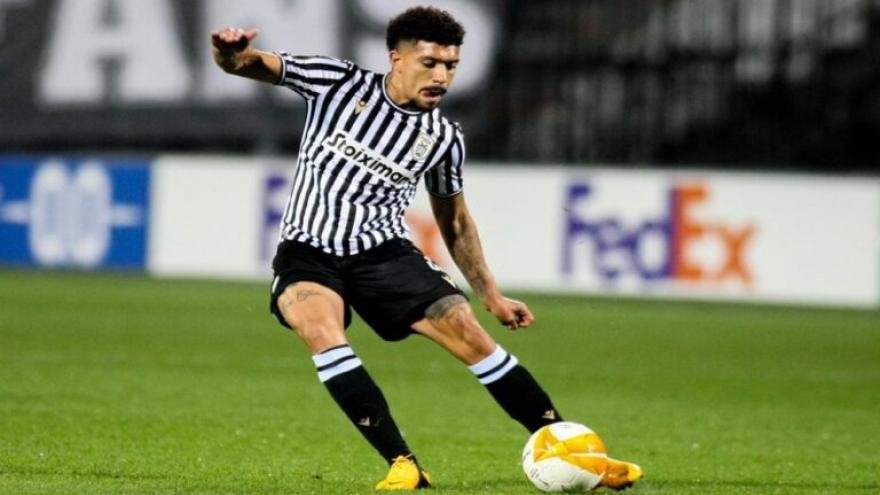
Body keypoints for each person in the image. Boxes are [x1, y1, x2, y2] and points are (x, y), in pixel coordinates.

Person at [211, 6, 642, 490]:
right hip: (307, 251)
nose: (442, 76)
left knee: (472, 336)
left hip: (384, 254)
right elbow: (247, 64)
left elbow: (454, 220)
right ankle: (404, 463)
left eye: (451, 65)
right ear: (396, 59)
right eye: (430, 63)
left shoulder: (442, 138)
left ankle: (576, 454)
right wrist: (230, 52)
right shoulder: (337, 83)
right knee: (321, 331)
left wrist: (492, 295)